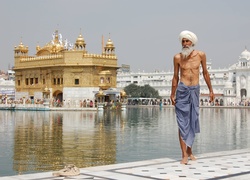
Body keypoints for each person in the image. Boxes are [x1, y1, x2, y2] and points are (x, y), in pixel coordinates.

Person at [170, 30, 215, 164]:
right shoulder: (177, 57)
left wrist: (211, 91)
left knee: (193, 120)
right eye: (183, 41)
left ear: (192, 42)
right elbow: (175, 76)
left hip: (195, 90)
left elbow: (206, 73)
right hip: (182, 90)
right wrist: (172, 93)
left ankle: (190, 151)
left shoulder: (201, 55)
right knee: (182, 122)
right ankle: (184, 154)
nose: (185, 43)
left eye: (187, 41)